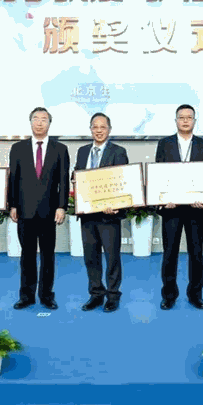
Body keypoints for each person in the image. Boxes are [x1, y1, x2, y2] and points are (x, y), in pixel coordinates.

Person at [7, 107, 70, 311]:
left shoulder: (60, 149)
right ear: (30, 122)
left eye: (44, 119)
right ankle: (26, 296)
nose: (40, 123)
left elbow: (63, 180)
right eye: (36, 119)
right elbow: (13, 179)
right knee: (26, 255)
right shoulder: (18, 148)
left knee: (47, 256)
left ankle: (46, 296)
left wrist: (62, 206)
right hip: (24, 210)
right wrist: (12, 205)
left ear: (49, 123)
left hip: (49, 211)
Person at [154, 104, 203, 311]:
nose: (185, 121)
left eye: (189, 117)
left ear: (194, 121)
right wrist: (162, 199)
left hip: (196, 209)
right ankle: (169, 295)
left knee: (196, 254)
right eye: (182, 117)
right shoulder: (164, 144)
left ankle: (195, 294)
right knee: (170, 254)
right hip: (172, 209)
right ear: (176, 120)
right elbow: (159, 174)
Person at [75, 113, 129, 313]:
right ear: (90, 129)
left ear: (109, 129)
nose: (98, 130)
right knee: (91, 257)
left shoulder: (119, 151)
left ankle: (113, 296)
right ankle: (96, 294)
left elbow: (123, 181)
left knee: (112, 257)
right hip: (88, 214)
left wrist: (116, 204)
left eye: (102, 127)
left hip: (109, 215)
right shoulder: (82, 151)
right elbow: (77, 174)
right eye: (95, 127)